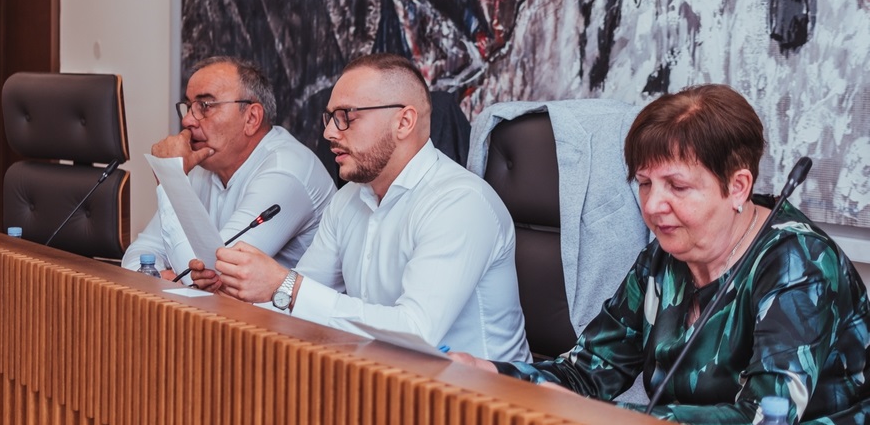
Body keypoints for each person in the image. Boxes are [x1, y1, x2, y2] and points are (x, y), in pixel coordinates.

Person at [450, 84, 870, 423]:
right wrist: (496, 376)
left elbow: (763, 416)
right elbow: (587, 373)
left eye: (677, 186)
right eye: (645, 183)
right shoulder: (664, 258)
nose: (652, 205)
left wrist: (609, 418)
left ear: (737, 187)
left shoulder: (800, 264)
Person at [189, 53, 530, 362]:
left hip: (485, 395)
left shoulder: (460, 202)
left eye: (346, 117)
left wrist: (286, 286)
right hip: (383, 377)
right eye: (329, 117)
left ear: (403, 122)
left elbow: (415, 332)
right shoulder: (348, 199)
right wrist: (237, 287)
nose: (329, 133)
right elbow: (301, 301)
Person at [121, 56, 336, 279]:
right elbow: (141, 253)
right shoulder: (202, 166)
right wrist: (166, 278)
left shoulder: (286, 169)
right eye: (189, 107)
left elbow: (215, 275)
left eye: (205, 106)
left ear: (251, 118)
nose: (187, 121)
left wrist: (170, 176)